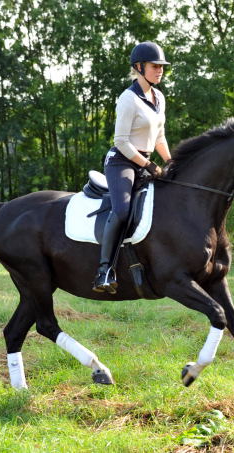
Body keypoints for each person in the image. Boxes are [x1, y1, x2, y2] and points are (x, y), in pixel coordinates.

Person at [92, 41, 172, 294]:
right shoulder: (128, 99)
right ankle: (104, 271)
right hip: (122, 162)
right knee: (123, 211)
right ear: (139, 67)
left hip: (146, 162)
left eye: (161, 67)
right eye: (154, 66)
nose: (160, 70)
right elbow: (121, 142)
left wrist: (171, 162)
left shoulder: (158, 97)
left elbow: (159, 138)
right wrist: (148, 164)